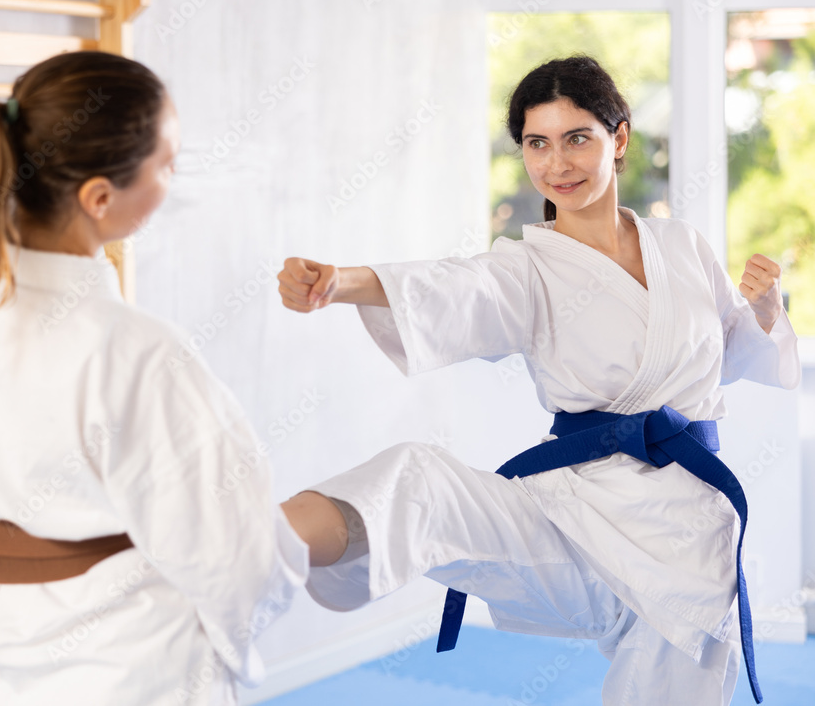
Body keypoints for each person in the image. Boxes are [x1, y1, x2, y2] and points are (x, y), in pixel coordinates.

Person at [278, 55, 800, 705]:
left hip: (689, 541)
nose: (558, 163)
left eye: (577, 137)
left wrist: (764, 310)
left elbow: (727, 349)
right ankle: (252, 549)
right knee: (418, 481)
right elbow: (451, 283)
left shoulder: (683, 246)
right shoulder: (526, 269)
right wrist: (340, 280)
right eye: (537, 143)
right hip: (574, 521)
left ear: (621, 137)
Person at [0, 50, 308, 705]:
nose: (174, 178)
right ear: (100, 198)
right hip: (129, 661)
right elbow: (237, 561)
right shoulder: (131, 349)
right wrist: (240, 637)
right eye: (166, 163)